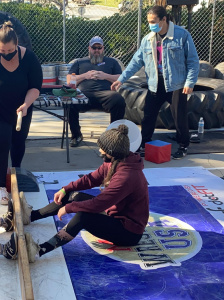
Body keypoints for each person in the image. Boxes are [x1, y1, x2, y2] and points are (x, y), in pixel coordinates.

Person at [20, 125, 149, 262]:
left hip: (129, 232)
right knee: (72, 195)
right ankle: (30, 216)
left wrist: (69, 208)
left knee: (83, 216)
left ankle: (39, 251)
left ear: (111, 152)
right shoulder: (116, 160)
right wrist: (66, 188)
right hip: (115, 215)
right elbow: (91, 179)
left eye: (102, 148)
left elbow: (98, 204)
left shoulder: (127, 176)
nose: (100, 150)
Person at [111, 5, 199, 159]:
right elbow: (136, 62)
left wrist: (189, 82)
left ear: (164, 19)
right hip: (155, 83)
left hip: (176, 84)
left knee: (179, 117)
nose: (151, 24)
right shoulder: (148, 38)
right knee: (148, 115)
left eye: (153, 21)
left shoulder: (182, 35)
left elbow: (193, 61)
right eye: (149, 22)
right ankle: (145, 143)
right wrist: (121, 80)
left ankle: (183, 145)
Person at [0, 21, 43, 205]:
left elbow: (35, 87)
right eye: (2, 51)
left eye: (9, 51)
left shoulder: (30, 58)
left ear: (17, 44)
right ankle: (1, 186)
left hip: (22, 110)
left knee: (18, 143)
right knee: (0, 145)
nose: (6, 54)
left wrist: (26, 104)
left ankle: (16, 174)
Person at [67, 36, 126, 147]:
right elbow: (69, 80)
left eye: (99, 48)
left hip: (106, 94)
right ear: (89, 48)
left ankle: (113, 136)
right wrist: (85, 75)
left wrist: (105, 76)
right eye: (94, 48)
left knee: (118, 100)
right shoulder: (79, 62)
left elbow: (120, 78)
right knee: (70, 101)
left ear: (103, 48)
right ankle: (76, 135)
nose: (97, 50)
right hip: (84, 94)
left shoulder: (111, 62)